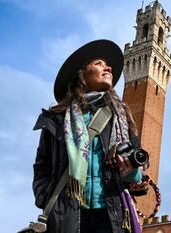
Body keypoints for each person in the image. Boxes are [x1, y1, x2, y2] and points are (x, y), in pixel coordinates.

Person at [32, 39, 144, 233]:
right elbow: (42, 167)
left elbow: (138, 171)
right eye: (99, 63)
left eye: (107, 65)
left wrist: (131, 169)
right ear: (81, 73)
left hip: (112, 215)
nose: (108, 67)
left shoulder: (122, 117)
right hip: (67, 213)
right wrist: (46, 196)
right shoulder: (56, 119)